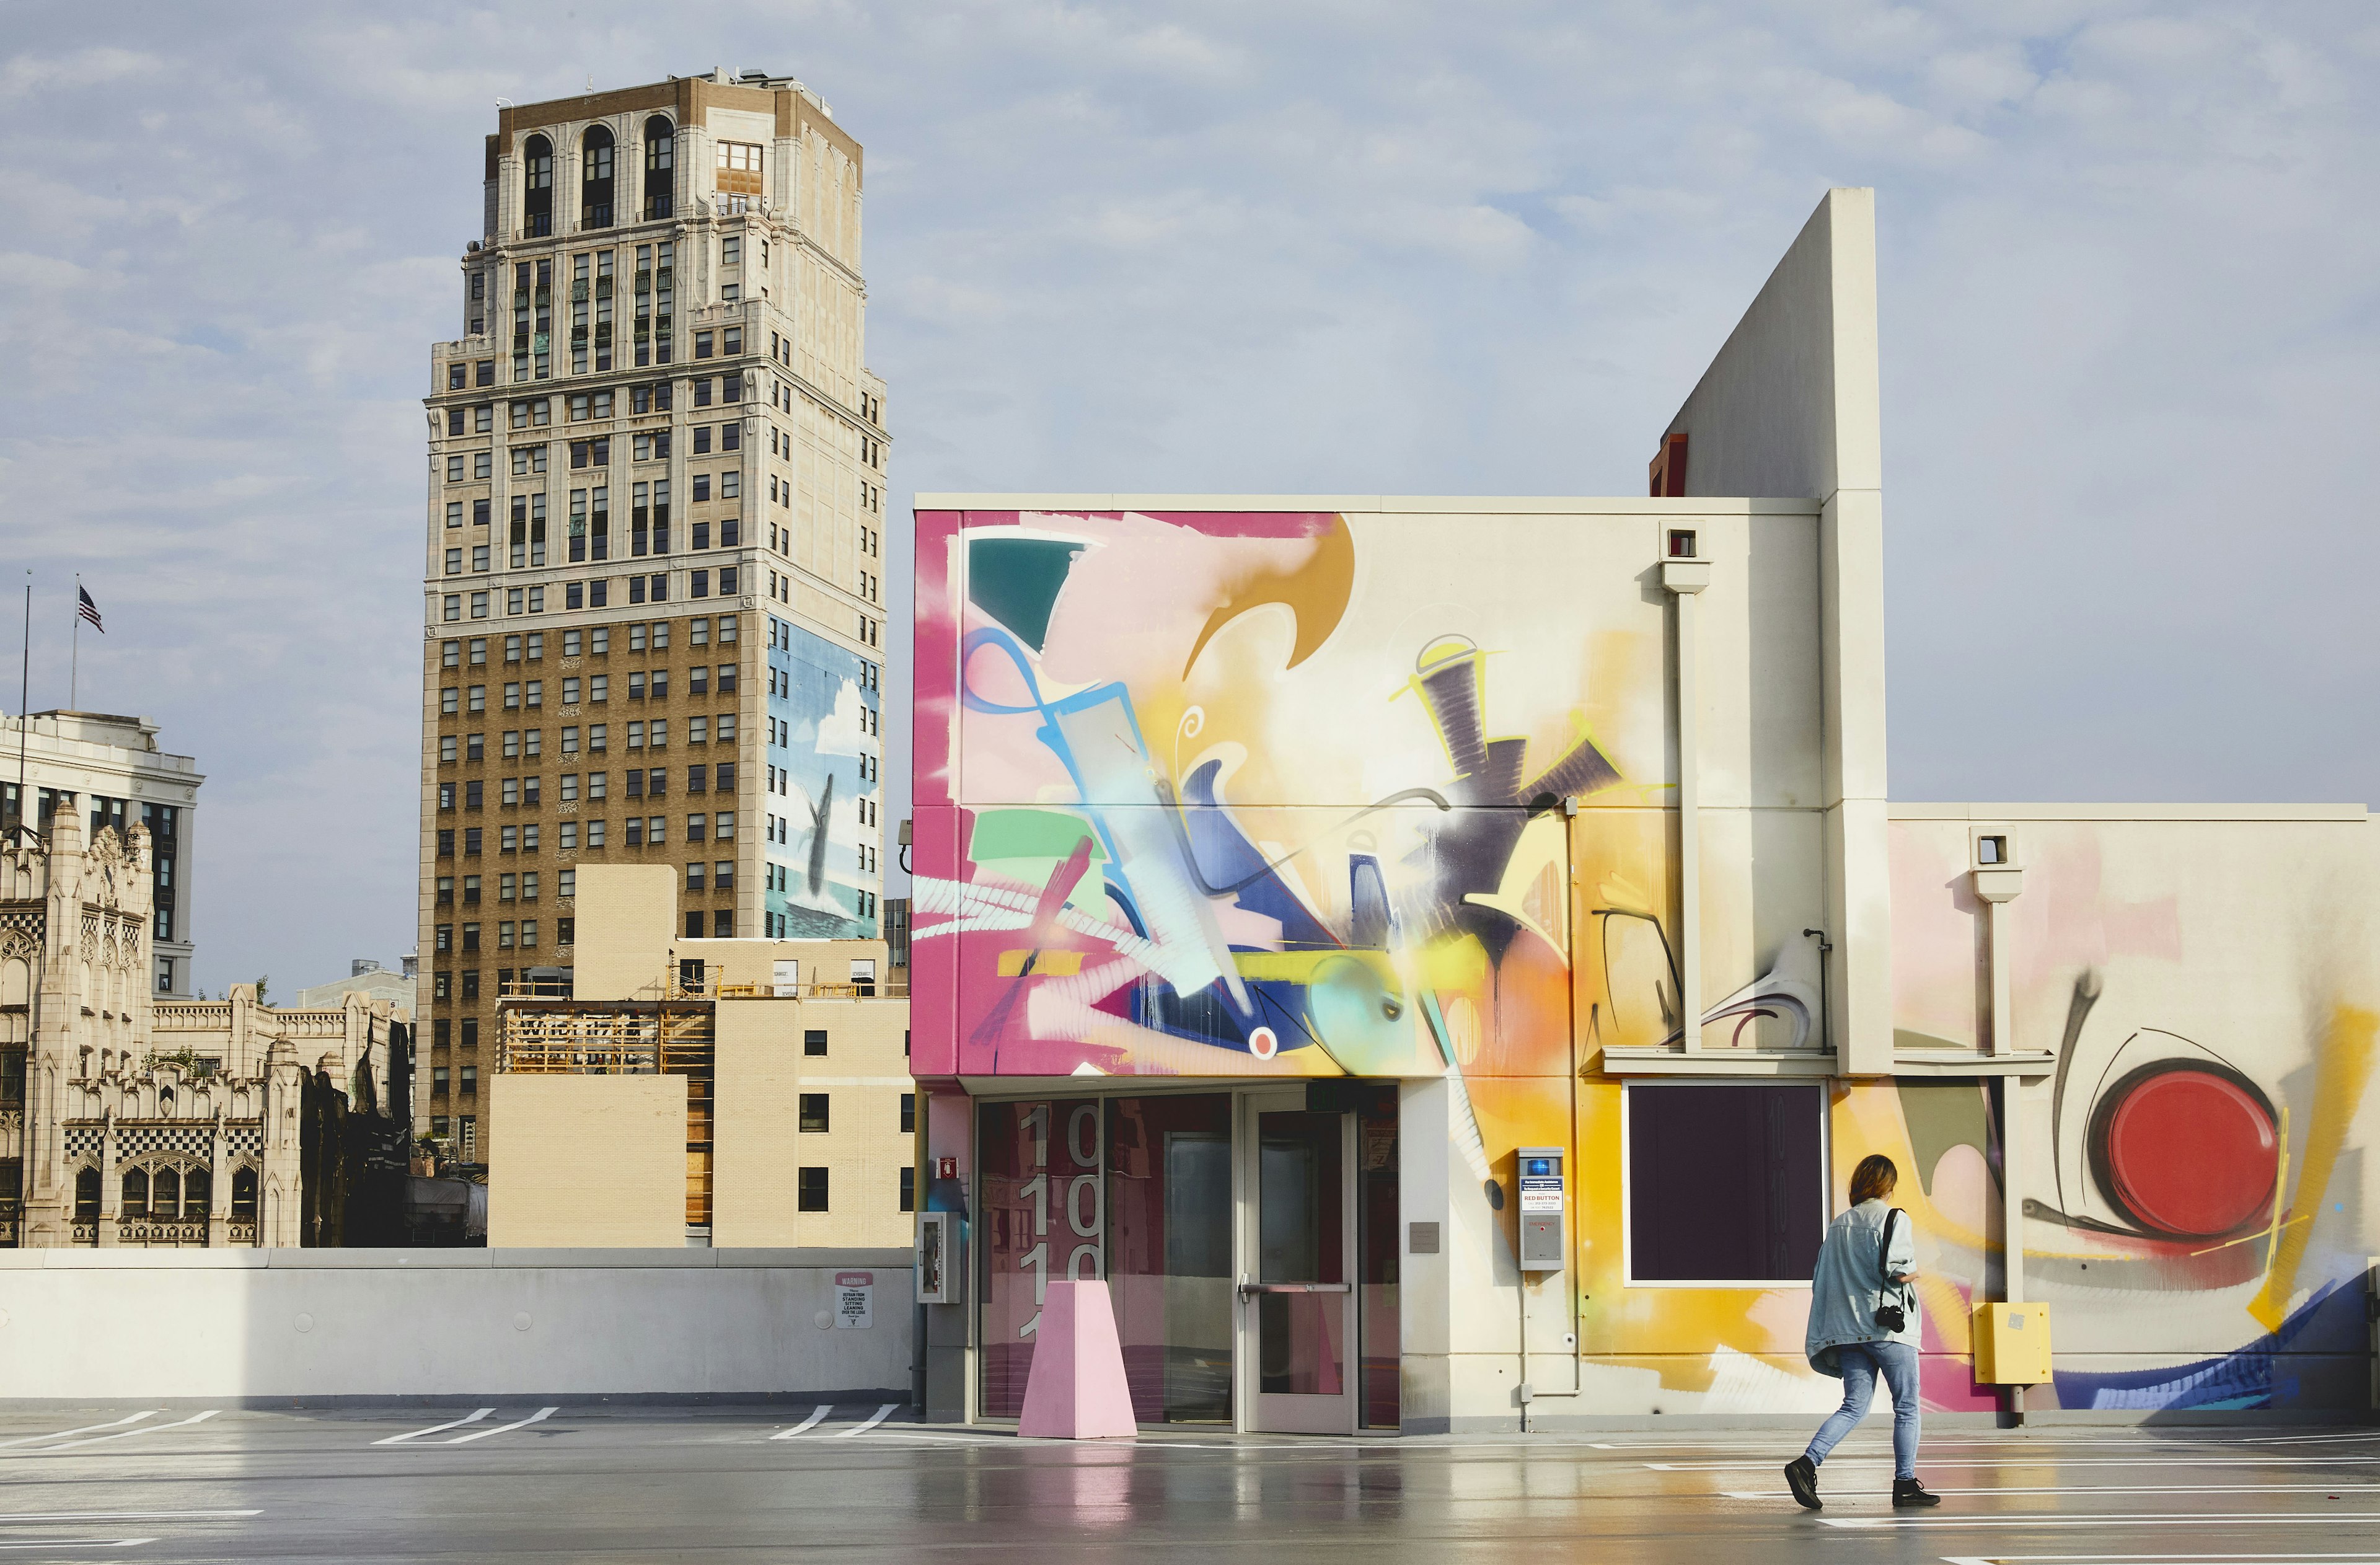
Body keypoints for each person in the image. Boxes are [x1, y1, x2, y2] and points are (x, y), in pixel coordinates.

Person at [1784, 1153, 1939, 1510]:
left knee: (1854, 1406)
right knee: (1907, 1407)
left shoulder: (1838, 1225)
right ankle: (1905, 1485)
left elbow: (1821, 1279)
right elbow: (1899, 1272)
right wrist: (1917, 1273)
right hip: (1887, 1330)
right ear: (1887, 1186)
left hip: (1849, 1332)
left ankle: (1806, 1464)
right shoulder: (1893, 1218)